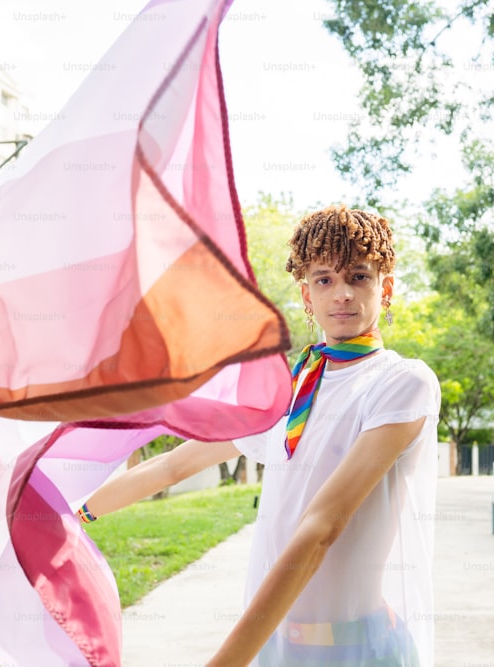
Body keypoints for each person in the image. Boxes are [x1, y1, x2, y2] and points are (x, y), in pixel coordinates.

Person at [79, 205, 441, 666]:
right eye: (325, 279)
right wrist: (72, 514)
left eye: (359, 276)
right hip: (275, 645)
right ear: (306, 296)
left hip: (359, 649)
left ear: (385, 288)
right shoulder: (288, 392)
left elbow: (321, 528)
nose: (343, 293)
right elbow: (174, 464)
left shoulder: (401, 383)